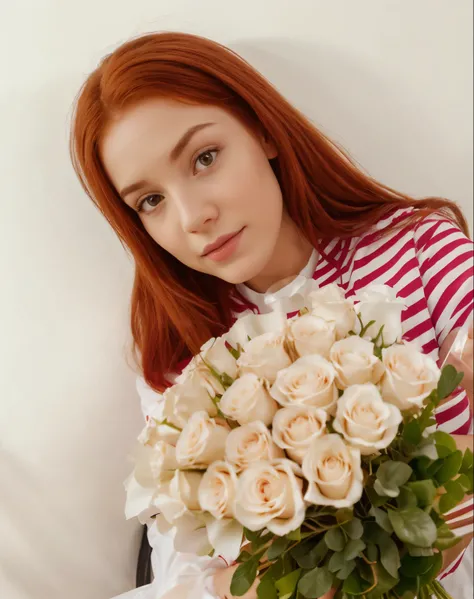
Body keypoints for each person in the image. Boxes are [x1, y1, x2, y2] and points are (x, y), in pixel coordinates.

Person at [70, 32, 473, 599]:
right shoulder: (183, 360)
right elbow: (188, 567)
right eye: (150, 201)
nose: (193, 217)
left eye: (204, 158)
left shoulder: (420, 249)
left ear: (261, 129)